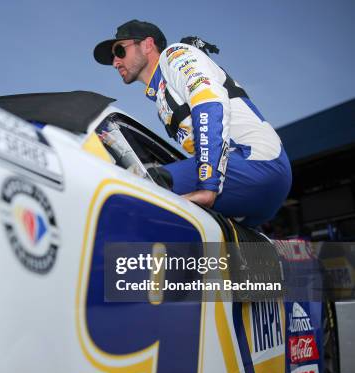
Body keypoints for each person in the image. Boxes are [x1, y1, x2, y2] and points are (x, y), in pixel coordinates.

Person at [93, 20, 292, 227]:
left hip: (256, 163)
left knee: (134, 189)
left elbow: (210, 103)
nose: (115, 62)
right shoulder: (161, 95)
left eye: (119, 51)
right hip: (252, 187)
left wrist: (208, 184)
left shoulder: (174, 56)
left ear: (147, 45)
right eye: (112, 58)